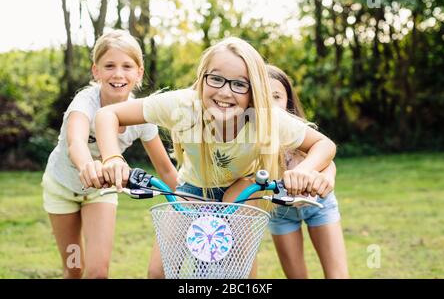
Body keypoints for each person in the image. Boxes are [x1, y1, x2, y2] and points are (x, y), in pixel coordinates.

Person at [94, 37, 337, 278]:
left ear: (254, 91)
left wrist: (305, 170)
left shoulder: (265, 117)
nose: (225, 92)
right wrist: (113, 158)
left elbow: (324, 144)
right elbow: (108, 115)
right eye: (216, 79)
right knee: (158, 272)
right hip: (193, 188)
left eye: (239, 84)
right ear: (202, 79)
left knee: (235, 268)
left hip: (243, 185)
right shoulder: (183, 106)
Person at [42, 30, 178, 279]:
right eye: (109, 66)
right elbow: (76, 142)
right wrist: (87, 166)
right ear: (96, 71)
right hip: (62, 188)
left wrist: (188, 199)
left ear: (139, 73)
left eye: (127, 66)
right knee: (74, 268)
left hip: (100, 193)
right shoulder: (85, 102)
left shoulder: (142, 115)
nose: (118, 74)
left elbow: (166, 169)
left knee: (97, 273)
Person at [266, 64, 349, 278]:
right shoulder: (247, 137)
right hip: (280, 211)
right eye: (264, 96)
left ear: (288, 101)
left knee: (337, 275)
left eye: (277, 96)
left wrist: (328, 178)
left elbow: (327, 159)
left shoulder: (298, 130)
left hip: (319, 204)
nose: (272, 104)